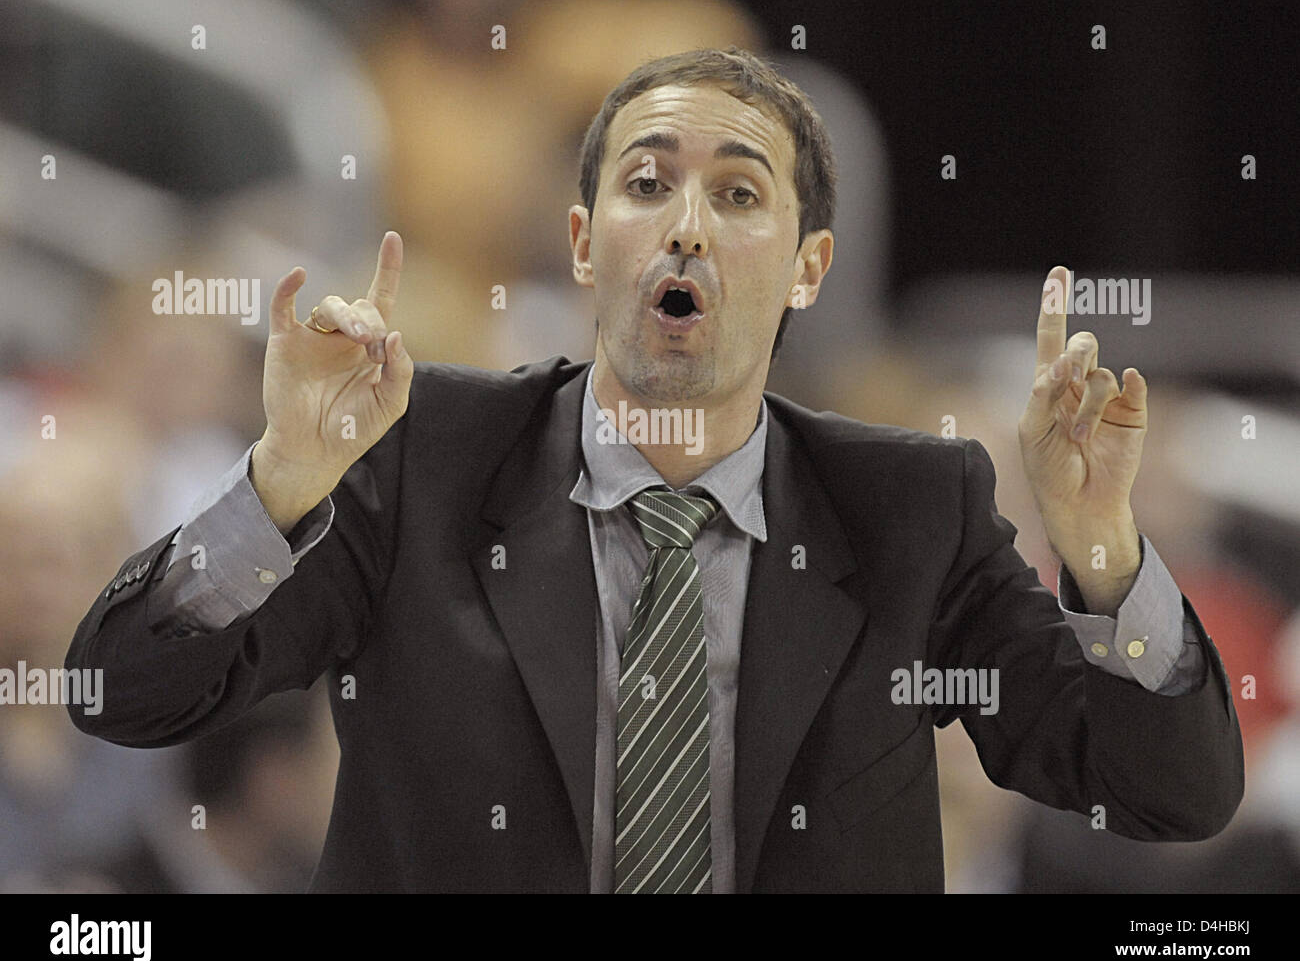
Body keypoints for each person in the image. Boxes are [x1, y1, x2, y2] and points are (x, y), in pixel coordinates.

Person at [64, 47, 1243, 893]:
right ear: (584, 243)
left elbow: (1167, 794)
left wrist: (1101, 547)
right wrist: (279, 482)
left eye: (737, 194)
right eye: (644, 184)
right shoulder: (421, 458)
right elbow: (122, 696)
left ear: (808, 268)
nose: (684, 225)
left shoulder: (909, 512)